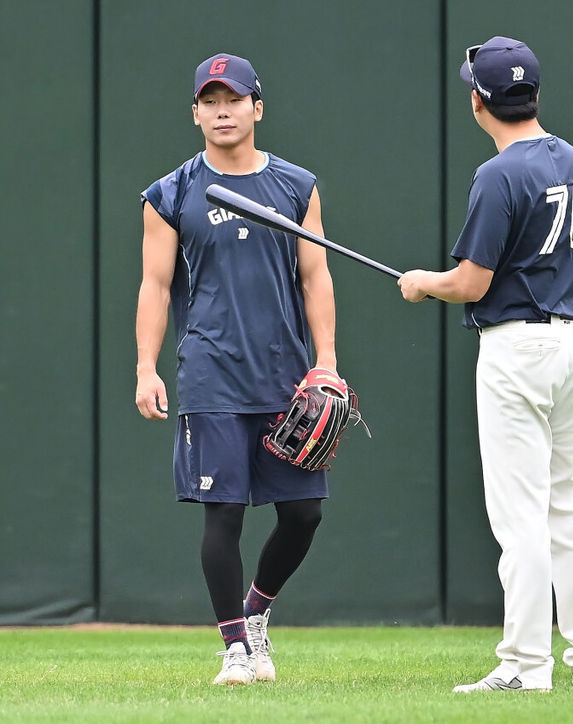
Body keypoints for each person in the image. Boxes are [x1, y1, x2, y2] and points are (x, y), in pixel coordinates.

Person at [398, 36, 573, 693]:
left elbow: (470, 282)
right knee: (566, 507)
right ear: (535, 94)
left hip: (519, 348)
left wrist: (422, 283)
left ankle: (525, 666)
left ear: (478, 102)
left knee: (521, 516)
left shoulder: (498, 173)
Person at [135, 53, 338, 686]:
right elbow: (154, 283)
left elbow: (315, 275)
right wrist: (147, 366)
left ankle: (256, 613)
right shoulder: (170, 192)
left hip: (286, 376)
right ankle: (235, 649)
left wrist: (327, 364)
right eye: (210, 101)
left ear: (257, 107)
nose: (223, 111)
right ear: (195, 112)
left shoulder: (296, 186)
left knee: (303, 513)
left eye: (234, 99)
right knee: (222, 513)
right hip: (210, 372)